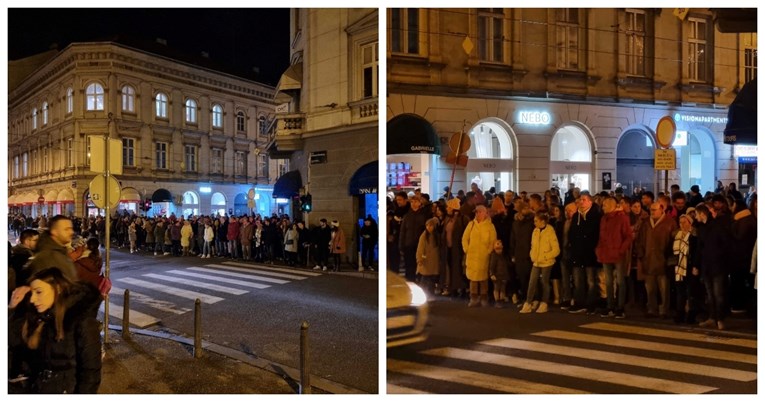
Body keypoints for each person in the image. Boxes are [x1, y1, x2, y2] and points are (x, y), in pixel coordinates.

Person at [8, 267, 102, 393]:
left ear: (57, 288)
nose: (32, 299)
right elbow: (15, 343)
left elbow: (90, 372)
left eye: (39, 292)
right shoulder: (40, 317)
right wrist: (12, 308)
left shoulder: (81, 320)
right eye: (32, 293)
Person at [636, 202, 677, 318]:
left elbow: (673, 241)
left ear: (661, 209)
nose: (652, 212)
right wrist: (641, 254)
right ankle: (651, 309)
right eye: (651, 210)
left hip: (663, 261)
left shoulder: (670, 223)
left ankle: (664, 310)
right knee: (650, 288)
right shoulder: (646, 223)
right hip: (648, 260)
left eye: (654, 210)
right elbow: (640, 240)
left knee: (664, 288)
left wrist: (670, 258)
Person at [695, 205, 732, 330]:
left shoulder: (717, 226)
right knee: (710, 294)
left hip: (717, 266)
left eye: (697, 214)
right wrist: (696, 265)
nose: (696, 217)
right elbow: (699, 248)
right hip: (707, 266)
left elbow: (726, 245)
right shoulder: (702, 228)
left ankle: (720, 318)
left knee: (718, 294)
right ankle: (712, 317)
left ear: (702, 214)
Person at [594, 197, 633, 318]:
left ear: (611, 205)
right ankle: (610, 305)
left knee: (620, 281)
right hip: (606, 253)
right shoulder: (604, 219)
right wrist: (599, 249)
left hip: (617, 254)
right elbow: (601, 236)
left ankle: (620, 307)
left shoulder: (622, 218)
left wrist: (621, 250)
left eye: (605, 205)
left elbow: (628, 236)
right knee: (608, 281)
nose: (603, 207)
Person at [568, 194, 602, 315]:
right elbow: (571, 233)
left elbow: (596, 234)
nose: (581, 202)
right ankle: (579, 302)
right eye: (580, 200)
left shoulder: (595, 216)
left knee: (591, 280)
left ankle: (591, 303)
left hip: (590, 253)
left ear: (590, 202)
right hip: (577, 252)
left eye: (584, 200)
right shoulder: (576, 216)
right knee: (578, 280)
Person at [521, 211, 560, 314]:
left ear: (542, 221)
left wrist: (546, 256)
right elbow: (533, 245)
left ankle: (544, 302)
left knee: (544, 282)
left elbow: (556, 249)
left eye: (536, 221)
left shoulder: (550, 231)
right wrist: (532, 255)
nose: (534, 223)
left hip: (546, 261)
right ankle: (528, 302)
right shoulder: (535, 231)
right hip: (536, 261)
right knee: (532, 281)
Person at [23, 215, 78, 283]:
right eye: (66, 229)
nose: (71, 232)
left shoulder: (59, 251)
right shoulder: (47, 257)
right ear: (54, 232)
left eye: (71, 228)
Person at [462, 205, 497, 307]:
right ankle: (473, 298)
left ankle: (483, 297)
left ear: (485, 213)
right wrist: (467, 249)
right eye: (476, 212)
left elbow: (492, 240)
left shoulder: (490, 226)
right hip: (472, 255)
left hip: (483, 256)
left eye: (480, 212)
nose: (477, 214)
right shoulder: (471, 224)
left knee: (483, 279)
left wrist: (488, 251)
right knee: (473, 278)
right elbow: (465, 238)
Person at [672, 214, 700, 324]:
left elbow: (696, 252)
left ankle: (691, 315)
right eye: (680, 222)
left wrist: (695, 266)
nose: (682, 225)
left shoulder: (694, 236)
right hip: (679, 267)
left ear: (690, 223)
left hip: (689, 266)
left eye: (685, 222)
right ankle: (680, 314)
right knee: (680, 292)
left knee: (691, 293)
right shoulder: (677, 235)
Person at [399, 195, 429, 282]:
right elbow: (403, 231)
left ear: (420, 203)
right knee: (409, 266)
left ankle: (419, 281)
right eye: (412, 202)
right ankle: (410, 282)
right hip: (408, 244)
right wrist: (401, 245)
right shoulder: (407, 216)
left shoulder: (423, 215)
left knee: (419, 265)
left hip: (419, 245)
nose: (413, 204)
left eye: (415, 202)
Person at [416, 218, 441, 297]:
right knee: (425, 277)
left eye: (431, 225)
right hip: (426, 260)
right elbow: (420, 248)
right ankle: (423, 293)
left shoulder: (436, 236)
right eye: (427, 225)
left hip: (434, 260)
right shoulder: (424, 236)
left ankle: (430, 292)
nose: (429, 227)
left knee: (432, 278)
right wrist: (419, 259)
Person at [488, 240, 510, 308]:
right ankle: (497, 301)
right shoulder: (494, 256)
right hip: (497, 276)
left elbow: (506, 265)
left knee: (503, 289)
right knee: (497, 288)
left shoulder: (504, 256)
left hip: (504, 275)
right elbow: (492, 266)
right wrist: (492, 274)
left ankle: (501, 300)